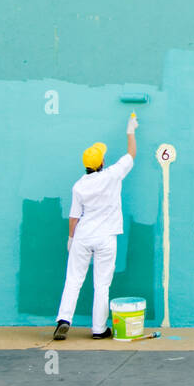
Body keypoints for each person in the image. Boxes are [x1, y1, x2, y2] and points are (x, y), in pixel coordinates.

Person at [54, 113, 138, 340]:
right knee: (101, 285)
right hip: (106, 238)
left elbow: (74, 217)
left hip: (83, 236)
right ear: (101, 163)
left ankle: (64, 320)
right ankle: (99, 329)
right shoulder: (112, 175)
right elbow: (131, 154)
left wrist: (71, 239)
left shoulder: (78, 186)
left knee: (73, 280)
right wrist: (130, 130)